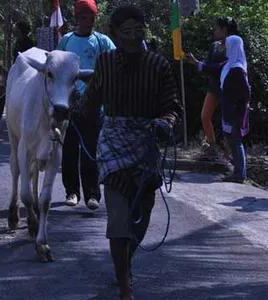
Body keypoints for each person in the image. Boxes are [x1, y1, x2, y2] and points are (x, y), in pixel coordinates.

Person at [77, 5, 181, 299]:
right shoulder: (105, 62)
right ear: (114, 34)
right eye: (127, 32)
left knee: (143, 213)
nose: (134, 38)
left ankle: (125, 260)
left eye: (138, 31)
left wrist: (165, 122)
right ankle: (125, 287)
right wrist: (73, 113)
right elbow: (90, 99)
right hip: (113, 146)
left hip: (145, 146)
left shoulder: (158, 65)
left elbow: (172, 105)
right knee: (118, 219)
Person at [57, 0, 116, 210]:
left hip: (95, 107)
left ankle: (93, 195)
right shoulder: (66, 41)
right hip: (71, 105)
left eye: (91, 18)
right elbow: (57, 69)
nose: (88, 22)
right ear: (76, 18)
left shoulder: (103, 42)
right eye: (84, 18)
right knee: (70, 151)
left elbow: (116, 66)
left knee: (91, 151)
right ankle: (71, 192)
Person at [187, 35, 250, 183]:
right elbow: (213, 68)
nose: (225, 48)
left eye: (228, 46)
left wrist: (238, 104)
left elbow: (245, 92)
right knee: (231, 139)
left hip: (235, 111)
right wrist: (196, 63)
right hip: (229, 110)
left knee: (235, 141)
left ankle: (240, 174)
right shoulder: (229, 64)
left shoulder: (238, 69)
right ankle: (238, 171)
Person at [196, 17, 240, 161]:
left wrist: (199, 64)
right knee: (205, 115)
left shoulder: (233, 46)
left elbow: (222, 67)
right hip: (214, 86)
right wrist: (200, 65)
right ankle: (212, 145)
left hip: (228, 88)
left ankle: (228, 152)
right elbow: (210, 64)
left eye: (217, 28)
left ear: (224, 30)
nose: (214, 31)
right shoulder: (214, 45)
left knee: (227, 120)